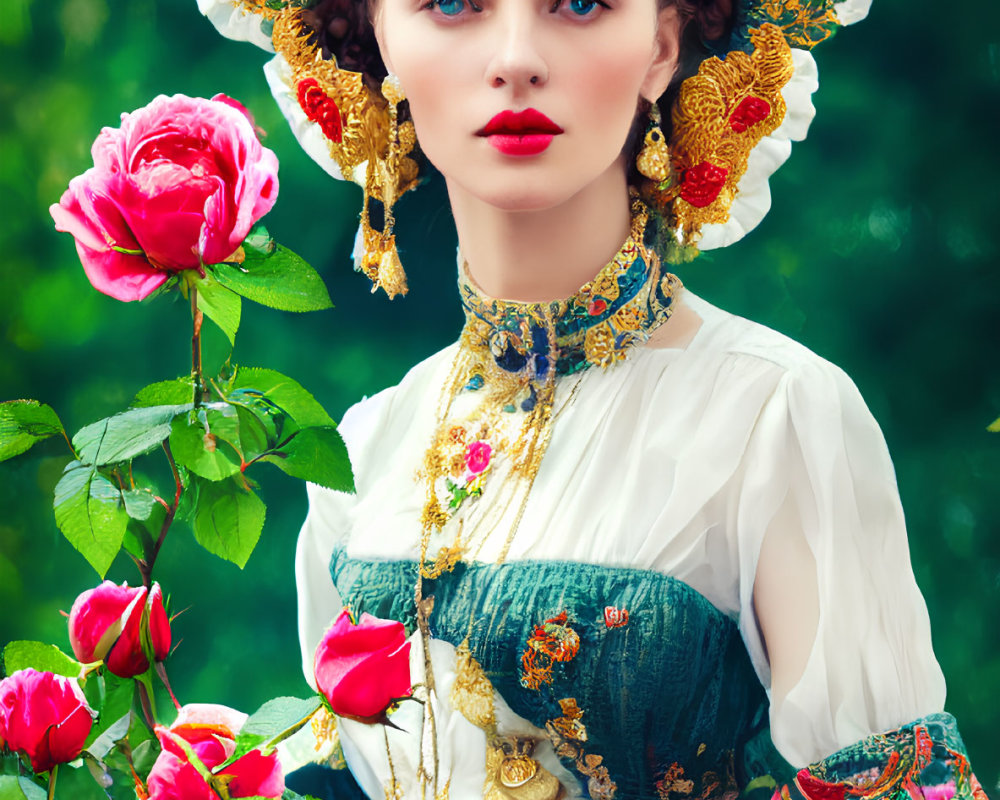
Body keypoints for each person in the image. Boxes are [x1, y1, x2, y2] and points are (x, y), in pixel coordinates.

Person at [200, 0, 988, 797]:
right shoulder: (366, 449)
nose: (516, 59)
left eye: (579, 3)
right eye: (451, 4)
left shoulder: (774, 413)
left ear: (662, 45)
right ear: (378, 42)